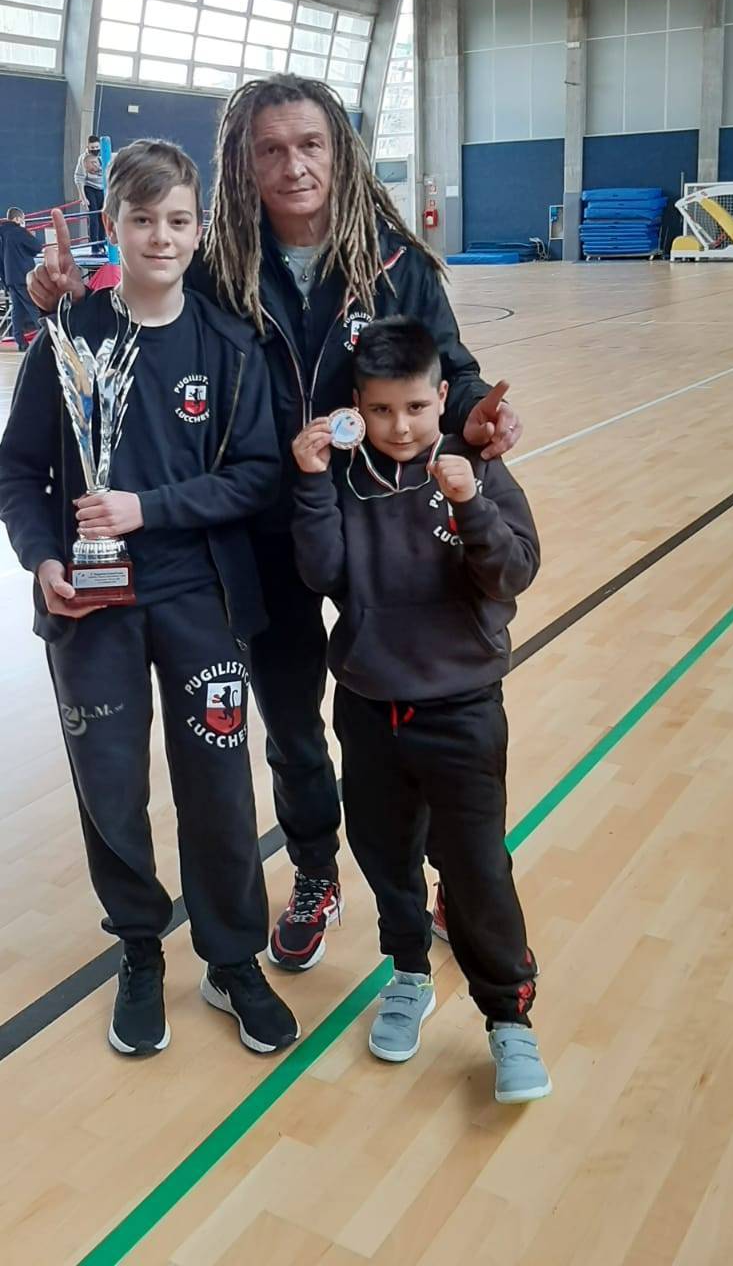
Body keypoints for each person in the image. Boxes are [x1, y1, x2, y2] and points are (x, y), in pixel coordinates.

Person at [27, 74, 524, 975]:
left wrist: (477, 413)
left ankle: (445, 873)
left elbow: (449, 373)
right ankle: (314, 871)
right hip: (264, 532)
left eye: (309, 145)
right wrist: (56, 305)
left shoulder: (396, 263)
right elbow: (143, 306)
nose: (293, 166)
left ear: (339, 151)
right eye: (270, 149)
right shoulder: (216, 264)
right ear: (242, 163)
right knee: (292, 726)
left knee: (420, 717)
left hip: (388, 529)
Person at [0, 139, 300, 1060]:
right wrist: (42, 561)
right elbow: (17, 471)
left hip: (199, 600)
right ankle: (138, 948)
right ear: (113, 227)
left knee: (218, 785)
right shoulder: (67, 339)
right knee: (111, 789)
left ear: (199, 228)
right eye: (142, 220)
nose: (161, 237)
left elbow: (257, 475)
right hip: (91, 610)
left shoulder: (228, 346)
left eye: (177, 220)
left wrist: (150, 508)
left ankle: (231, 958)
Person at [290, 318, 551, 1104]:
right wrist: (310, 483)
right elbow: (321, 574)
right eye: (379, 411)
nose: (398, 427)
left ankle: (507, 1016)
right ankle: (407, 971)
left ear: (441, 398)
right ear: (356, 407)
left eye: (413, 408)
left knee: (475, 867)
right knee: (384, 854)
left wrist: (469, 503)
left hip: (461, 710)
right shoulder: (346, 478)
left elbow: (512, 573)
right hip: (370, 706)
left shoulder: (475, 468)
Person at [0, 208, 41, 351]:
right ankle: (45, 337)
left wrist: (4, 280)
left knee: (17, 310)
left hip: (10, 278)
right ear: (18, 219)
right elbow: (37, 247)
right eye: (23, 219)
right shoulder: (19, 232)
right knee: (34, 307)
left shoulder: (2, 235)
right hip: (23, 276)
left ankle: (20, 341)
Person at [74, 133, 105, 254]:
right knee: (93, 218)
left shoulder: (104, 156)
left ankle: (102, 244)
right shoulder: (83, 158)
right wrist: (83, 197)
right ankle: (94, 247)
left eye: (97, 147)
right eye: (92, 148)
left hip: (102, 188)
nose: (95, 150)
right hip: (90, 187)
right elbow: (79, 178)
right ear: (88, 147)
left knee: (103, 217)